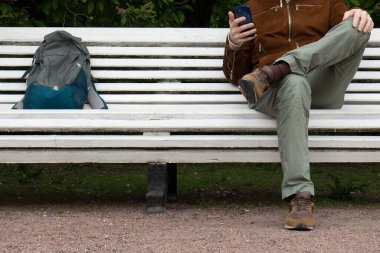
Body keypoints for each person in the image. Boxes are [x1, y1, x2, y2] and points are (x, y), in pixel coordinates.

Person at [223, 0, 374, 231]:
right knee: (294, 82)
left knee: (357, 25)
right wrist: (233, 44)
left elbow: (345, 40)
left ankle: (280, 68)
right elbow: (237, 77)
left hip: (322, 83)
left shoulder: (330, 2)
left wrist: (359, 15)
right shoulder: (252, 7)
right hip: (274, 90)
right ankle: (300, 198)